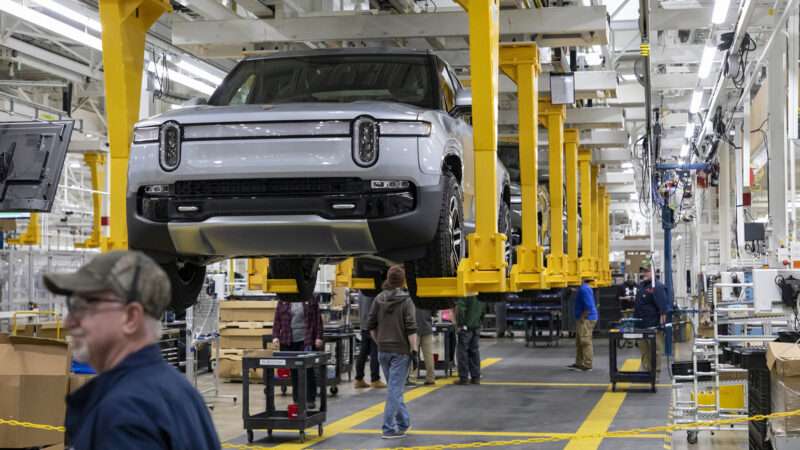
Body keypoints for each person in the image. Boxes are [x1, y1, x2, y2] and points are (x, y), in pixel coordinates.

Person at [42, 251, 220, 450]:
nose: (69, 322)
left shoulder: (125, 411)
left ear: (130, 318)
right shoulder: (180, 391)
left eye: (84, 305)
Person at [366, 265, 417, 439]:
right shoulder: (406, 300)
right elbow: (411, 328)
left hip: (383, 351)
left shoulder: (379, 298)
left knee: (395, 389)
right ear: (403, 281)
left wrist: (379, 340)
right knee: (395, 390)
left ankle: (403, 423)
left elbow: (370, 325)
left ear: (388, 279)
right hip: (400, 351)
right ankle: (388, 428)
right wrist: (415, 350)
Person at [272, 295, 324, 409]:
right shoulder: (283, 300)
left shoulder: (310, 298)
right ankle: (297, 400)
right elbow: (277, 320)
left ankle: (310, 399)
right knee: (294, 371)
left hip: (306, 340)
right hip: (288, 340)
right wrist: (275, 336)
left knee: (308, 370)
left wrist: (319, 337)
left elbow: (317, 320)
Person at [634, 261, 672, 373]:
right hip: (640, 324)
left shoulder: (658, 287)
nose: (644, 273)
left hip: (653, 325)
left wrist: (661, 324)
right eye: (643, 271)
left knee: (655, 350)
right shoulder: (641, 286)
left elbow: (663, 307)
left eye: (647, 271)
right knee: (644, 350)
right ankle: (646, 371)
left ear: (654, 272)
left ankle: (655, 373)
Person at [354, 292, 386, 389]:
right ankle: (375, 379)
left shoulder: (360, 292)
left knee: (363, 353)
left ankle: (359, 379)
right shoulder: (373, 292)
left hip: (364, 325)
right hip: (373, 326)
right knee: (375, 352)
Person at [568, 278, 598, 372]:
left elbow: (588, 306)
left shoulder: (584, 289)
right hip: (584, 318)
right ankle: (579, 363)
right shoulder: (584, 288)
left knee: (585, 341)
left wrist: (583, 317)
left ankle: (588, 365)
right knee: (579, 342)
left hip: (586, 319)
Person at [454, 296, 482, 385]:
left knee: (462, 352)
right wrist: (479, 322)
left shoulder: (465, 293)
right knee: (474, 351)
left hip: (465, 327)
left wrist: (460, 324)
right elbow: (484, 310)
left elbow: (460, 309)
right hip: (476, 326)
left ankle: (463, 377)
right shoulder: (480, 292)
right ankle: (476, 377)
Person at [412, 306, 436, 386]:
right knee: (428, 355)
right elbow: (434, 313)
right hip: (427, 328)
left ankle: (412, 378)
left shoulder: (410, 299)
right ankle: (430, 378)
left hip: (413, 330)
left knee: (413, 354)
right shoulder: (428, 298)